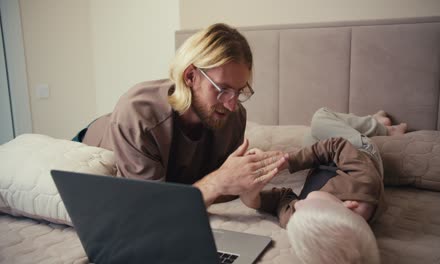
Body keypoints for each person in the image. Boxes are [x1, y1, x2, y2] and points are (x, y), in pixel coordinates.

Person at [73, 23, 287, 206]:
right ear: (190, 76)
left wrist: (245, 181)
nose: (231, 105)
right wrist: (218, 181)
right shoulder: (138, 114)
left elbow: (225, 185)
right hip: (95, 139)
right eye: (222, 90)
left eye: (239, 91)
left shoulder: (235, 116)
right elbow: (148, 208)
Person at [240, 108, 407, 263]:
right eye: (305, 203)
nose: (298, 203)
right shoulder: (365, 181)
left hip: (322, 168)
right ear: (348, 205)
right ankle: (382, 127)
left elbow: (280, 200)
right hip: (358, 154)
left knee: (310, 138)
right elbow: (336, 145)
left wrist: (251, 198)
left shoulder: (302, 221)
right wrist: (286, 161)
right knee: (320, 117)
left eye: (297, 209)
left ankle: (367, 124)